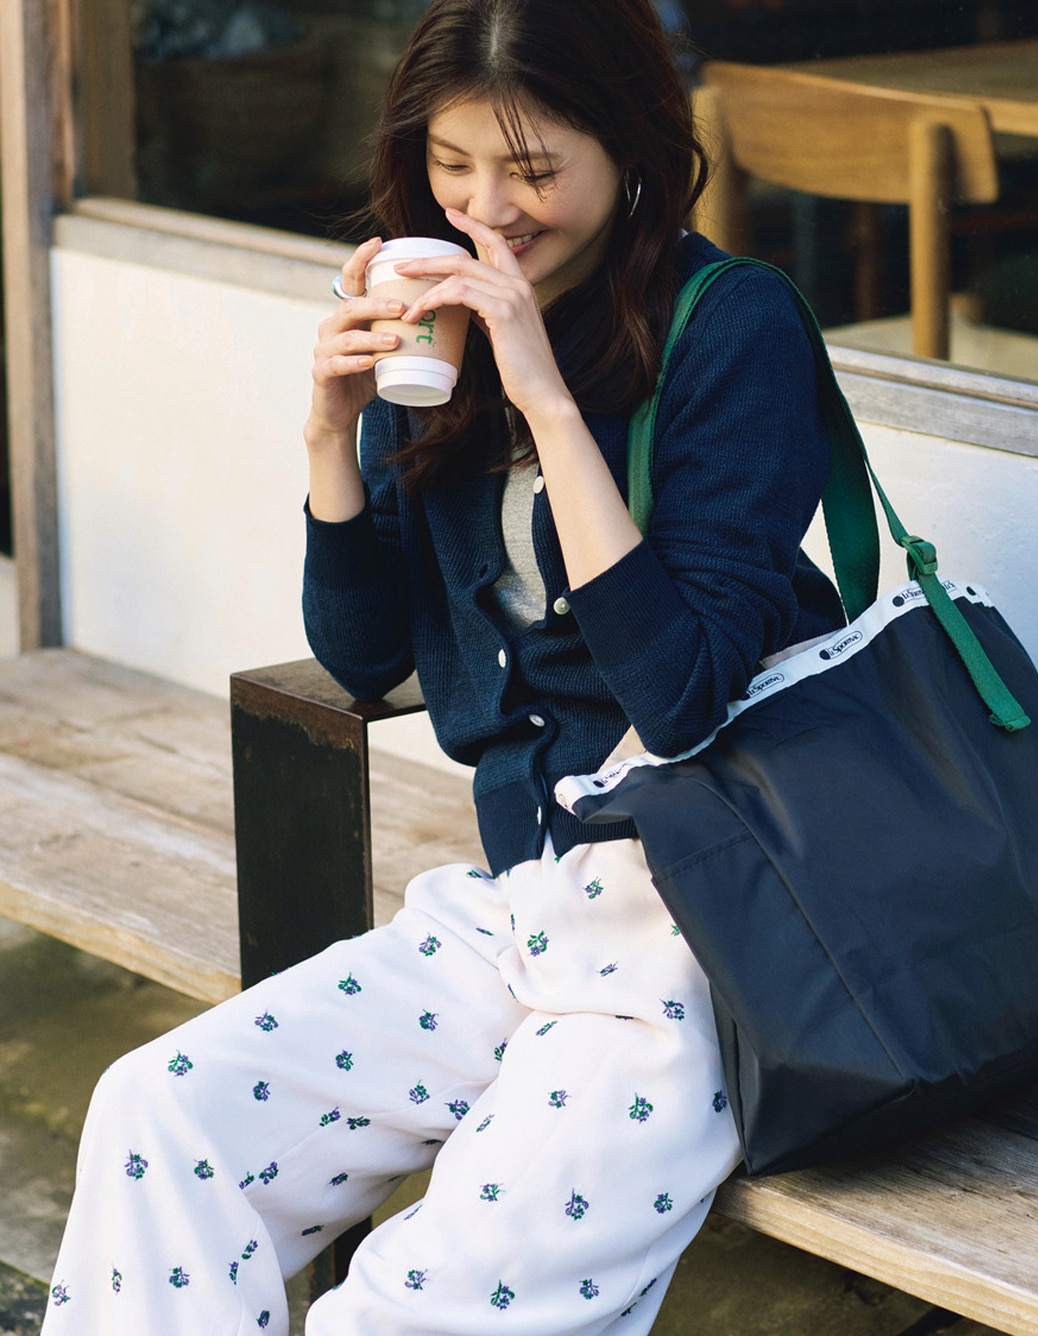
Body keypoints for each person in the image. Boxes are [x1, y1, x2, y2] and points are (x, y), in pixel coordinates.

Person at [42, 0, 854, 1330]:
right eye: (454, 164)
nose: (488, 209)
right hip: (522, 902)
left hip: (699, 940)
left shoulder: (728, 328)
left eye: (532, 169)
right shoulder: (433, 324)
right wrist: (331, 435)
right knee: (161, 1117)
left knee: (413, 1307)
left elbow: (683, 697)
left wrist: (542, 394)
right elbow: (364, 658)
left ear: (633, 148)